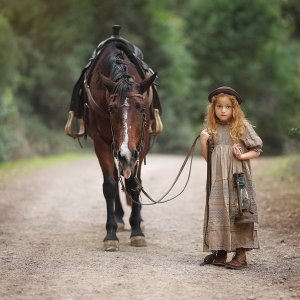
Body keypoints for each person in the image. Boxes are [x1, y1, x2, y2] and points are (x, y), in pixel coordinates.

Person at [199, 86, 263, 269]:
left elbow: (257, 149)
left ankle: (241, 253)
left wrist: (242, 156)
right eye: (219, 106)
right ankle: (220, 250)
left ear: (234, 109)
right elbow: (207, 158)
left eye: (228, 107)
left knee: (239, 210)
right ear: (214, 109)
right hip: (218, 178)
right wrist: (204, 141)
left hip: (237, 178)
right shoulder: (212, 128)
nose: (223, 110)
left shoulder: (242, 126)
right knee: (217, 209)